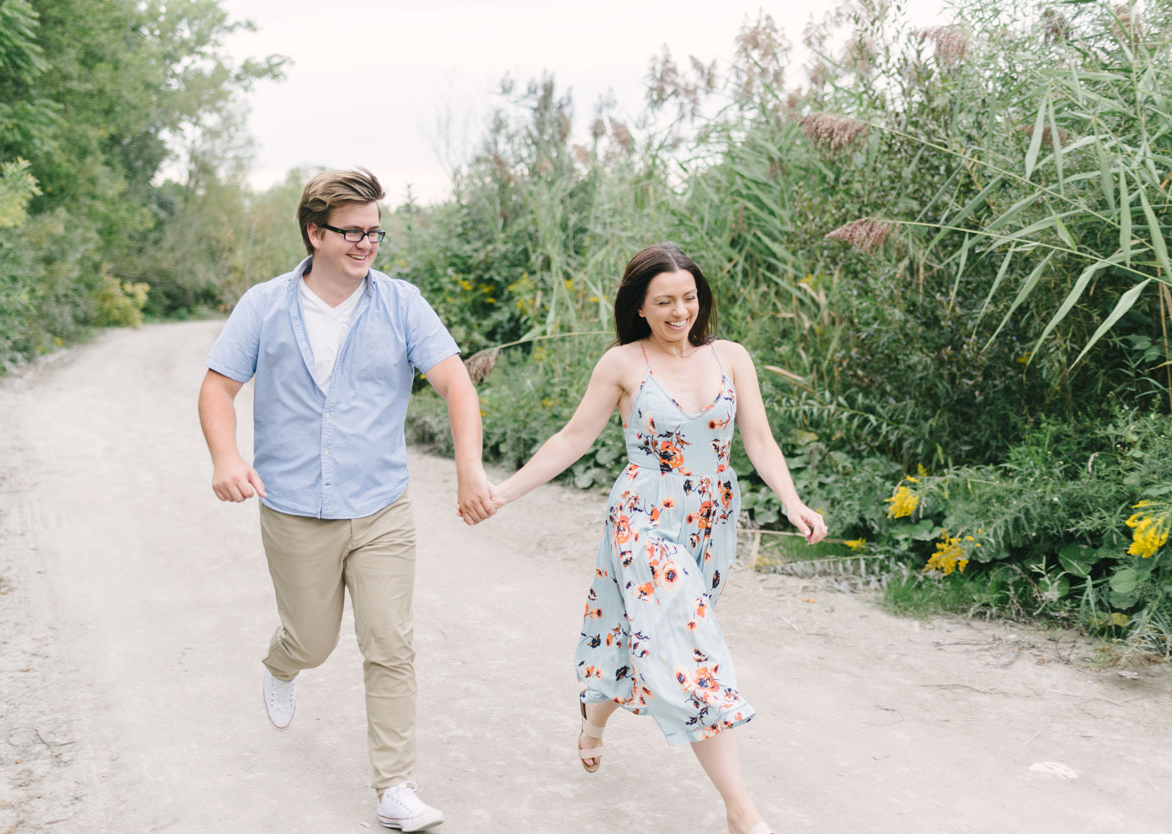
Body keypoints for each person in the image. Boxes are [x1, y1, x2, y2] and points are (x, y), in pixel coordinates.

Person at [489, 243, 826, 834]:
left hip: (712, 520)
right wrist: (504, 492)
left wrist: (791, 500)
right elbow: (572, 439)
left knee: (637, 636)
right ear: (639, 307)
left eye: (689, 298)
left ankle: (594, 721)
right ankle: (742, 813)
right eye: (664, 302)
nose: (680, 312)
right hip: (644, 520)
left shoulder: (731, 357)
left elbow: (760, 439)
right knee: (688, 649)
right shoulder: (622, 363)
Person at [198, 168, 494, 832]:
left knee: (390, 642)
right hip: (294, 507)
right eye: (352, 232)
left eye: (374, 232)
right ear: (315, 232)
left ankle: (395, 786)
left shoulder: (402, 303)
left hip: (381, 507)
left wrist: (469, 471)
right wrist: (226, 457)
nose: (366, 244)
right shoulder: (266, 305)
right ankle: (282, 663)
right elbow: (218, 389)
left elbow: (456, 384)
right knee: (313, 638)